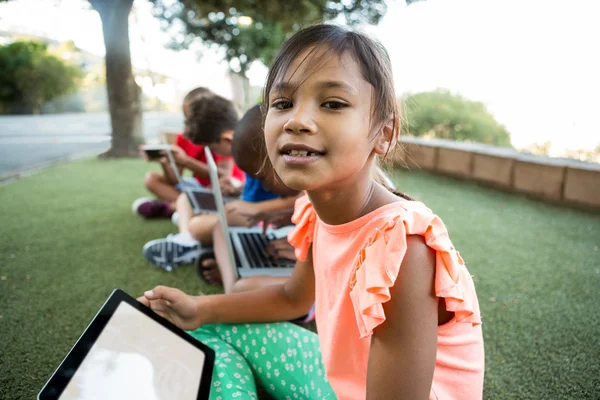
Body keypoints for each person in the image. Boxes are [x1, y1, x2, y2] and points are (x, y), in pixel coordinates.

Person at [139, 25, 484, 400]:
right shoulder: (314, 210)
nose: (296, 120)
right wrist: (198, 307)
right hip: (344, 385)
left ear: (384, 134)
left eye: (333, 103)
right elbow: (292, 299)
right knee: (198, 328)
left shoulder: (404, 247)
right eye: (282, 103)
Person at [142, 105, 301, 272]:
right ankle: (187, 241)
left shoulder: (257, 150)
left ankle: (190, 239)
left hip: (259, 219)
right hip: (249, 208)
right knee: (186, 199)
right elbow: (253, 188)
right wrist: (238, 188)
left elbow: (300, 198)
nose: (264, 184)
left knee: (199, 225)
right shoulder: (252, 151)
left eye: (212, 148)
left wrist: (257, 208)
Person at [132, 89, 245, 219]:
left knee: (218, 191)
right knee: (151, 178)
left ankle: (172, 208)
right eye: (186, 118)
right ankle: (186, 206)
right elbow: (174, 179)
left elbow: (225, 177)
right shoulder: (186, 137)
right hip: (199, 185)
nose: (188, 124)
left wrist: (186, 161)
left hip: (223, 187)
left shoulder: (219, 138)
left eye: (191, 118)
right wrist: (166, 162)